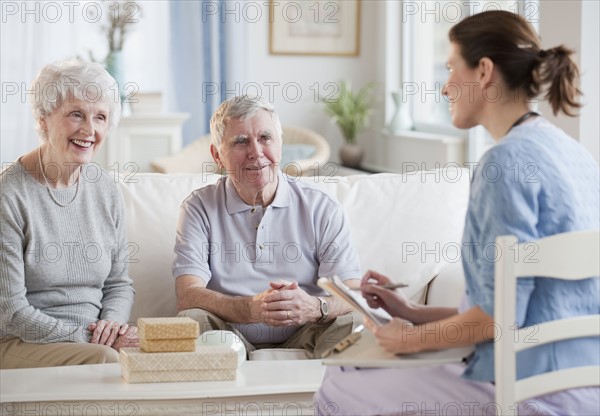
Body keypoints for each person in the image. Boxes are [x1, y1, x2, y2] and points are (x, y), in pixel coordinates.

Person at [314, 10, 599, 415]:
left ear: (484, 71)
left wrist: (407, 340)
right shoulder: (574, 153)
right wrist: (413, 314)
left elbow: (496, 321)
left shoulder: (503, 163)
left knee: (340, 380)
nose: (446, 87)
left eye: (451, 68)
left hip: (526, 391)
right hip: (583, 385)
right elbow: (523, 307)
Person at [173, 95, 361, 358]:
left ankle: (329, 396)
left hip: (308, 333)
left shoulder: (322, 207)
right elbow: (187, 295)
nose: (256, 152)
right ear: (217, 155)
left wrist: (315, 307)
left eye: (265, 138)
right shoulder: (198, 207)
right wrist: (248, 309)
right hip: (230, 338)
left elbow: (352, 291)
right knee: (193, 320)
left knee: (355, 323)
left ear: (280, 146)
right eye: (240, 141)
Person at [0, 58, 138, 369]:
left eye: (100, 117)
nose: (90, 130)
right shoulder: (9, 195)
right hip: (20, 341)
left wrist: (112, 326)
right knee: (105, 360)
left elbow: (118, 284)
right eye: (76, 114)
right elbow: (11, 311)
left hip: (93, 344)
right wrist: (90, 340)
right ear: (43, 118)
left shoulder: (105, 189)